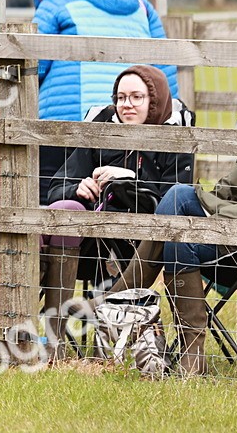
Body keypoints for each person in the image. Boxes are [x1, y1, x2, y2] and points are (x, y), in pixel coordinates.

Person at [87, 68, 237, 376]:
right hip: (235, 244)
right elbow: (225, 190)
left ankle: (113, 304)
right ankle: (193, 356)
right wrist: (216, 206)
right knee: (180, 236)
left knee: (180, 196)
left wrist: (213, 209)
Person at [39, 64, 195, 359]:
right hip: (89, 249)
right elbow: (56, 188)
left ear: (154, 101)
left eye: (137, 97)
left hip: (145, 250)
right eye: (121, 97)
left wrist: (127, 180)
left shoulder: (174, 140)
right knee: (63, 210)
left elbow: (174, 201)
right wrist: (77, 188)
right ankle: (54, 342)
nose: (127, 105)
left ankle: (111, 321)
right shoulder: (100, 132)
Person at [33, 0, 179, 200]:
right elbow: (164, 76)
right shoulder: (142, 6)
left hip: (63, 127)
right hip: (127, 131)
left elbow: (33, 66)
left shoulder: (57, 1)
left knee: (50, 203)